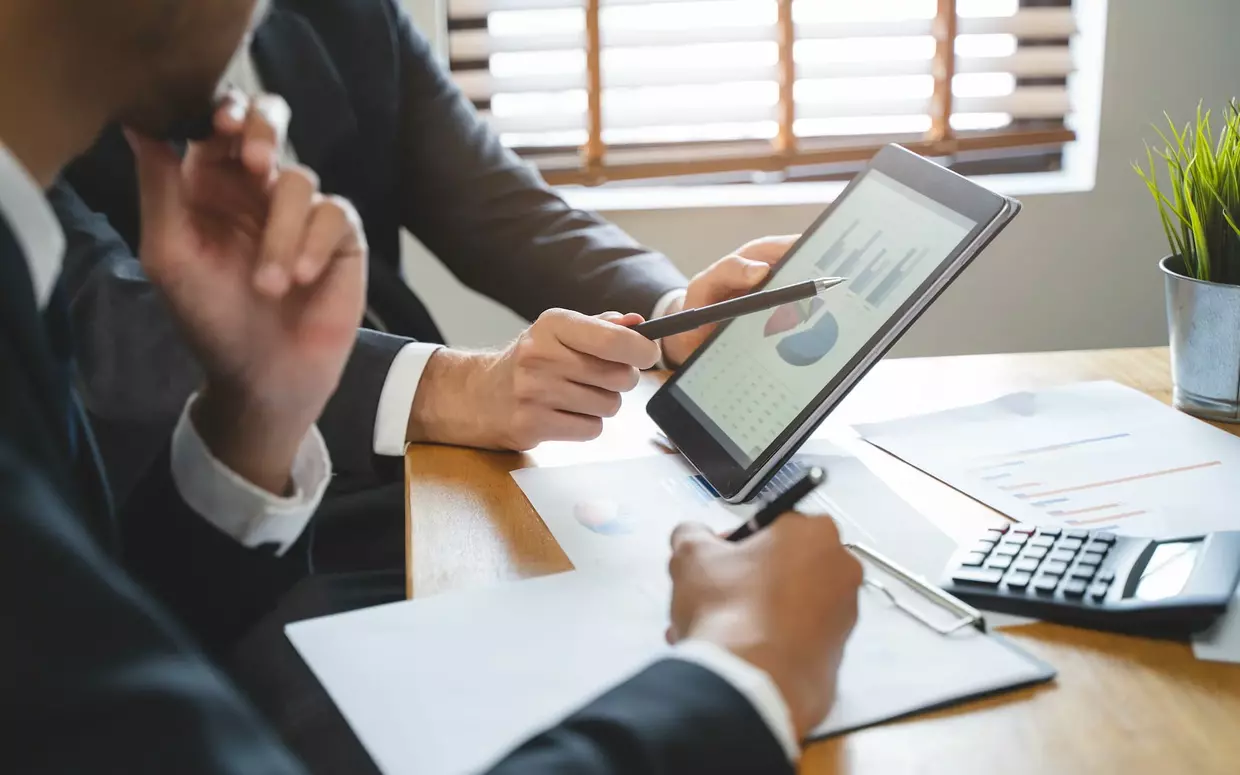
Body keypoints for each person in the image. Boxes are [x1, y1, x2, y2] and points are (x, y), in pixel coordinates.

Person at [0, 1, 865, 774]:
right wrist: (738, 674)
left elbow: (497, 198)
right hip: (330, 539)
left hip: (289, 503)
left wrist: (256, 413)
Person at [52, 0, 796, 514]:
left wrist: (673, 316)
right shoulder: (42, 71)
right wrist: (452, 390)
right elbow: (104, 321)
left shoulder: (344, 16)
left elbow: (498, 201)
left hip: (446, 477)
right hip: (198, 519)